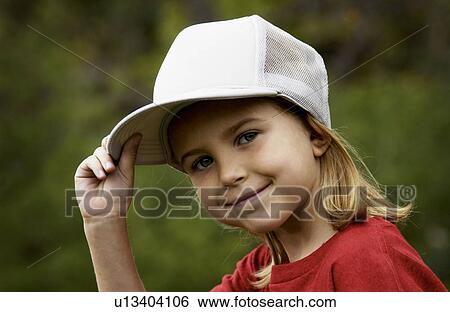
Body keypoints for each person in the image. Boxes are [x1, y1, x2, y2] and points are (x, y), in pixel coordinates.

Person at [74, 15, 447, 291]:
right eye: (202, 161)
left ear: (315, 134)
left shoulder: (364, 259)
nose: (228, 173)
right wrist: (103, 225)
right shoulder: (257, 275)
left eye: (246, 136)